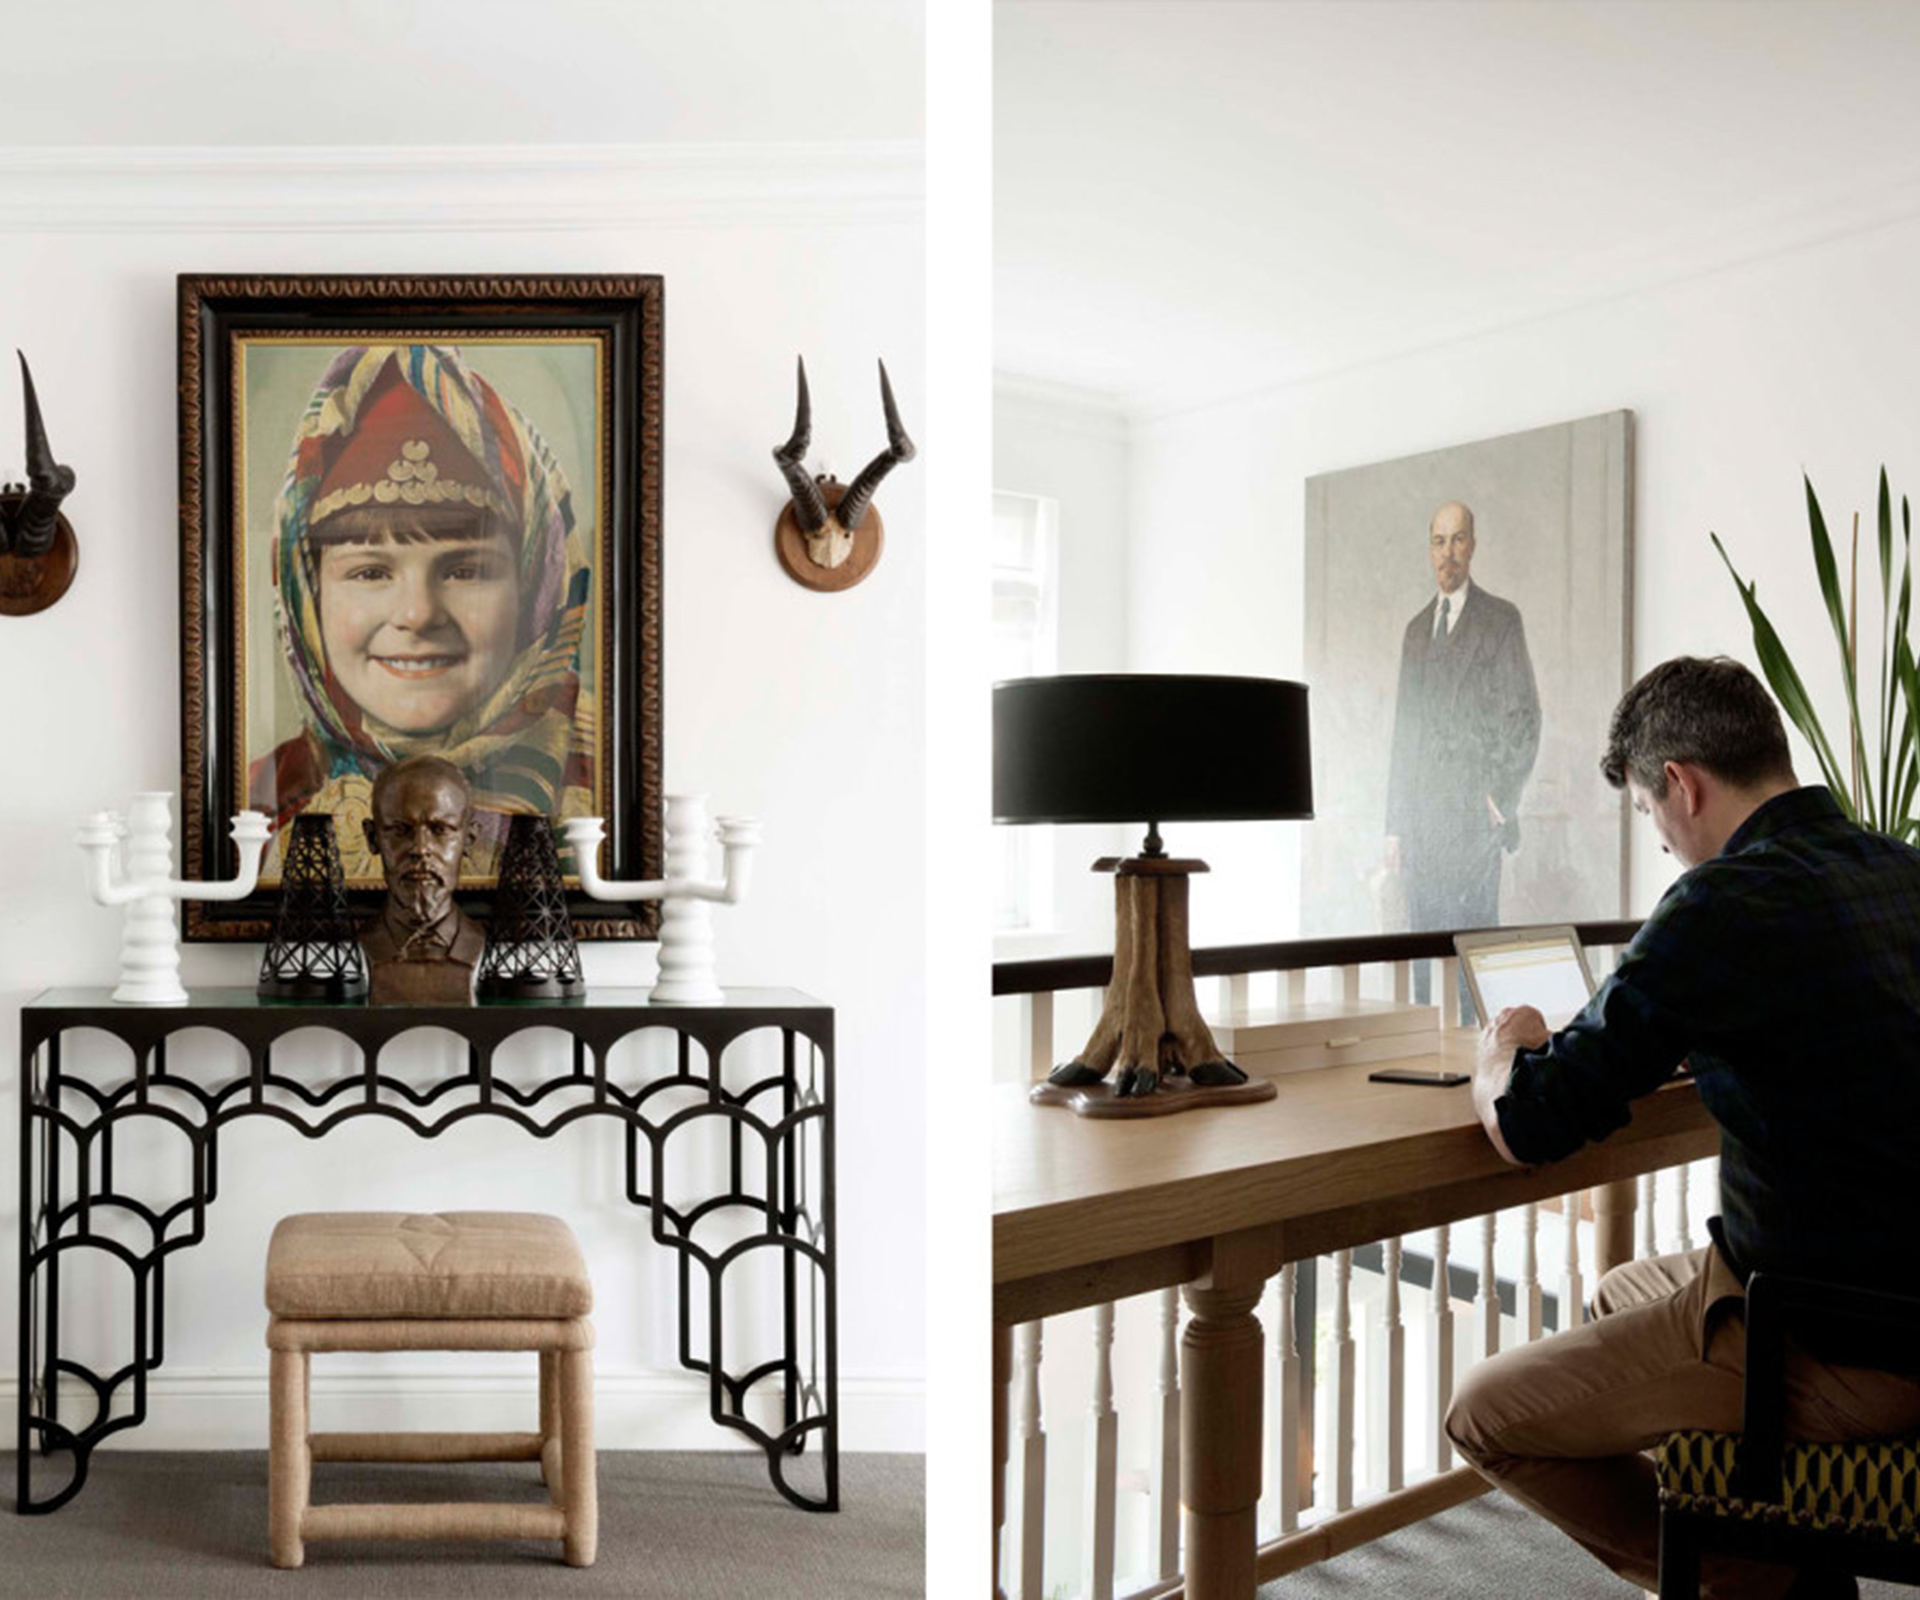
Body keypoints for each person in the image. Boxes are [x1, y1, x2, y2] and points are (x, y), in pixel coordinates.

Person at [1446, 655, 1920, 1600]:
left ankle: (1744, 1576)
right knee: (1618, 1292)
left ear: (1680, 783)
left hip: (1830, 1338)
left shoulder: (1719, 903)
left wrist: (1498, 1057)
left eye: (1649, 815)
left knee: (1481, 1413)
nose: (1663, 844)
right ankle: (1763, 1542)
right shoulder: (1899, 869)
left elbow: (1534, 1124)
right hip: (1898, 1296)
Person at [248, 342, 595, 884]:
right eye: (370, 573)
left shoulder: (609, 782)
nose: (417, 613)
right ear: (306, 598)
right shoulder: (259, 807)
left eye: (465, 571)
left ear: (536, 587)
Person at [1384, 501, 1540, 1010]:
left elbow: (1524, 715)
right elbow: (1404, 734)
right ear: (1429, 550)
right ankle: (1429, 1045)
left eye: (1456, 540)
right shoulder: (1416, 631)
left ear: (1472, 546)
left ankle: (1477, 1050)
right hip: (1422, 824)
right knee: (1424, 950)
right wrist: (1395, 826)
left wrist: (1499, 798)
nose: (1447, 553)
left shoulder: (1500, 620)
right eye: (1438, 541)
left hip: (1474, 820)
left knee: (1473, 953)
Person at [359, 754, 486, 1005]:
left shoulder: (481, 944)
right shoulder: (359, 946)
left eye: (440, 830)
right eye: (400, 830)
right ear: (373, 838)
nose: (420, 849)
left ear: (469, 840)